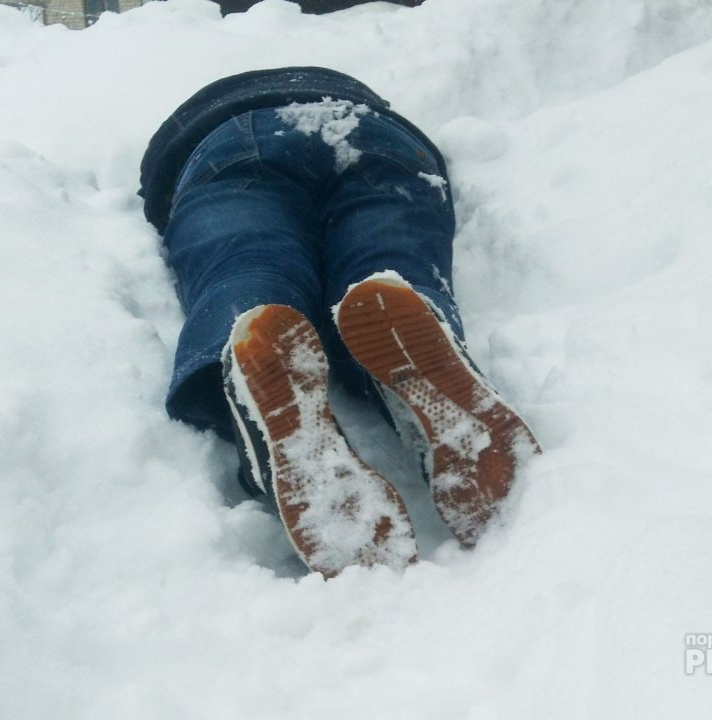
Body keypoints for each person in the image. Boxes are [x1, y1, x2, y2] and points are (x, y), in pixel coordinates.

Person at [138, 67, 539, 577]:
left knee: (247, 263)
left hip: (225, 145)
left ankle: (250, 357)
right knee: (389, 261)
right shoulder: (351, 88)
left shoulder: (183, 130)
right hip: (375, 132)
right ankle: (409, 332)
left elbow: (161, 203)